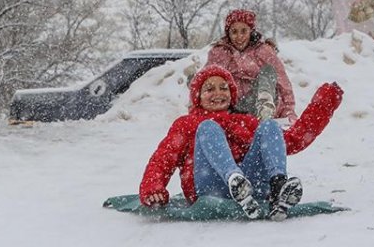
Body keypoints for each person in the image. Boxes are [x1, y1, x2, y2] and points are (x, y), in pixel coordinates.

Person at [139, 65, 343, 221]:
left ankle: (278, 187)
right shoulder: (186, 124)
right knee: (208, 127)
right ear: (197, 97)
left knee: (270, 126)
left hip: (252, 186)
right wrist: (153, 189)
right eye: (209, 89)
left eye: (223, 88)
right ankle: (234, 180)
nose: (218, 93)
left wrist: (323, 105)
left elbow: (291, 141)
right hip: (210, 187)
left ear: (231, 94)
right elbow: (163, 159)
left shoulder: (244, 121)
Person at [207, 9, 295, 120]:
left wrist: (289, 112)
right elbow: (203, 82)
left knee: (268, 71)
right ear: (228, 34)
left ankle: (264, 107)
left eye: (244, 31)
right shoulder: (220, 53)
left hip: (256, 100)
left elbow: (283, 83)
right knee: (215, 79)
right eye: (234, 32)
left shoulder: (263, 51)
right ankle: (234, 114)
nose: (239, 36)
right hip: (231, 105)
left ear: (251, 31)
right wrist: (196, 111)